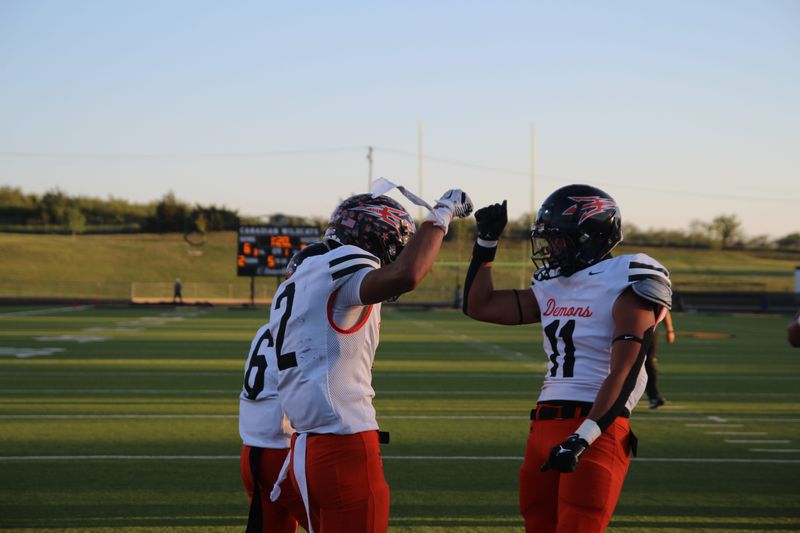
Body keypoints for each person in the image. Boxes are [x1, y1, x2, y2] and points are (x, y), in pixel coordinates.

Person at [462, 184, 672, 533]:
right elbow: (479, 306)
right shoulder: (553, 282)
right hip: (543, 423)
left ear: (590, 237)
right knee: (537, 524)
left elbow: (626, 371)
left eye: (560, 239)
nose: (551, 248)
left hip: (595, 424)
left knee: (579, 525)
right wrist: (485, 243)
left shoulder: (628, 277)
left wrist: (583, 437)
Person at [270, 189, 472, 533]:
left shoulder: (300, 275)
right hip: (344, 443)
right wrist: (441, 214)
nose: (397, 254)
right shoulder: (343, 261)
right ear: (376, 236)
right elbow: (407, 275)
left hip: (306, 446)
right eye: (397, 244)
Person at [238, 245, 328, 532]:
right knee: (332, 524)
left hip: (252, 450)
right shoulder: (304, 329)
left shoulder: (265, 328)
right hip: (283, 452)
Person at [645, 310, 675, 409]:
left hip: (649, 327)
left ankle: (654, 397)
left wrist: (670, 330)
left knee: (649, 362)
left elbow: (664, 307)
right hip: (625, 326)